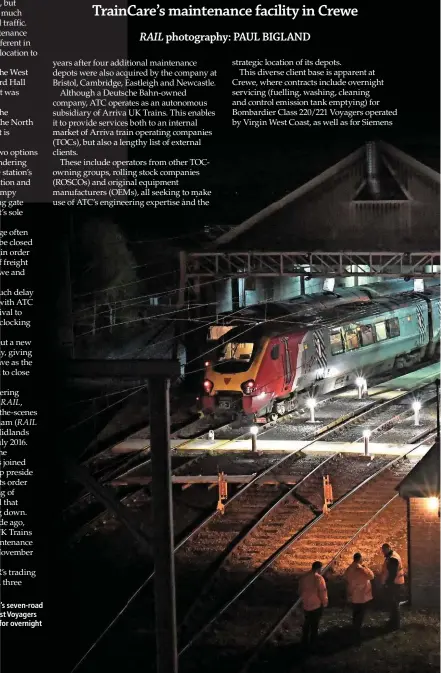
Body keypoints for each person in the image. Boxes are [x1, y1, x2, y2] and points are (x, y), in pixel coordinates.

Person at [343, 553, 374, 641]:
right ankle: (358, 631)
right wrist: (366, 567)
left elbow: (345, 578)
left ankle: (354, 627)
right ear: (360, 559)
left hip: (353, 594)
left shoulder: (349, 568)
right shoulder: (361, 569)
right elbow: (371, 576)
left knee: (355, 612)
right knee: (361, 613)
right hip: (362, 595)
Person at [298, 561, 328, 649]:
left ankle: (304, 640)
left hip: (306, 604)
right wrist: (324, 602)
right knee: (314, 624)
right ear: (319, 568)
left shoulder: (304, 577)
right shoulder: (319, 578)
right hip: (316, 605)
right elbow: (322, 592)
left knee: (307, 622)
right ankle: (313, 642)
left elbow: (299, 590)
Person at [380, 543, 405, 629]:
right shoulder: (393, 556)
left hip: (394, 584)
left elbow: (392, 574)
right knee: (393, 604)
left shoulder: (392, 559)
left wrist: (387, 584)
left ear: (388, 549)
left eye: (384, 551)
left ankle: (395, 624)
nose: (383, 552)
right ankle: (393, 621)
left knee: (394, 604)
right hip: (396, 583)